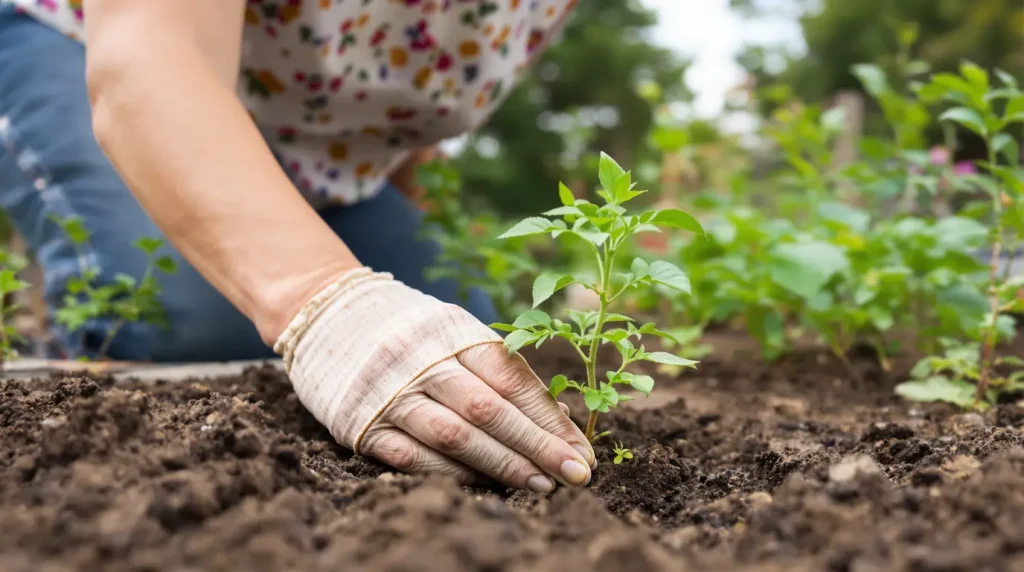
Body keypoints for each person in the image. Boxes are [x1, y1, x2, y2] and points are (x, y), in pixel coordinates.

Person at [0, 0, 594, 493]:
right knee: (191, 323)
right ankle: (63, 340)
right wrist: (323, 304)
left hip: (320, 153)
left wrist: (418, 298)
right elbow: (148, 56)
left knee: (474, 349)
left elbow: (397, 103)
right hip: (91, 46)